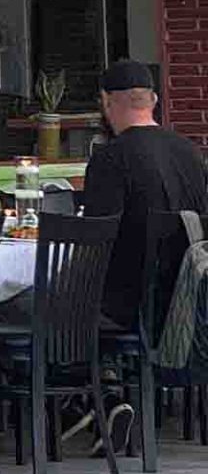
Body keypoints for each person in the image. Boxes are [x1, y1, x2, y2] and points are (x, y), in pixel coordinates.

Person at [81, 58, 208, 330]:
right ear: (154, 100)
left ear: (106, 101)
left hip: (127, 306)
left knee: (27, 303)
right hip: (189, 299)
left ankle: (80, 370)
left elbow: (93, 241)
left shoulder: (110, 158)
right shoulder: (191, 153)